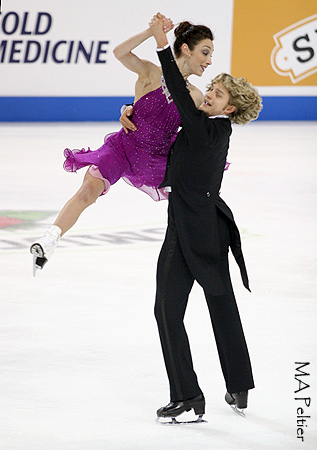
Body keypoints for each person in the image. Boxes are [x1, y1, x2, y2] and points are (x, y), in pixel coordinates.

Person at [30, 16, 215, 275]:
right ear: (186, 49)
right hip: (123, 148)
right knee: (87, 191)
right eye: (205, 53)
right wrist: (151, 33)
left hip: (157, 161)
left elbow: (202, 127)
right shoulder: (151, 72)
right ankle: (50, 238)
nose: (208, 61)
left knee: (186, 202)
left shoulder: (195, 95)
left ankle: (199, 254)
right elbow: (120, 52)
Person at [148, 14, 262, 422]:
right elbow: (177, 102)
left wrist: (163, 46)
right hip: (208, 225)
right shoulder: (216, 129)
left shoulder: (204, 127)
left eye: (217, 92)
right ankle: (238, 386)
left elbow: (178, 92)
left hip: (188, 226)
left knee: (166, 309)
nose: (210, 91)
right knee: (220, 305)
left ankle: (187, 395)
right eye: (211, 87)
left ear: (228, 107)